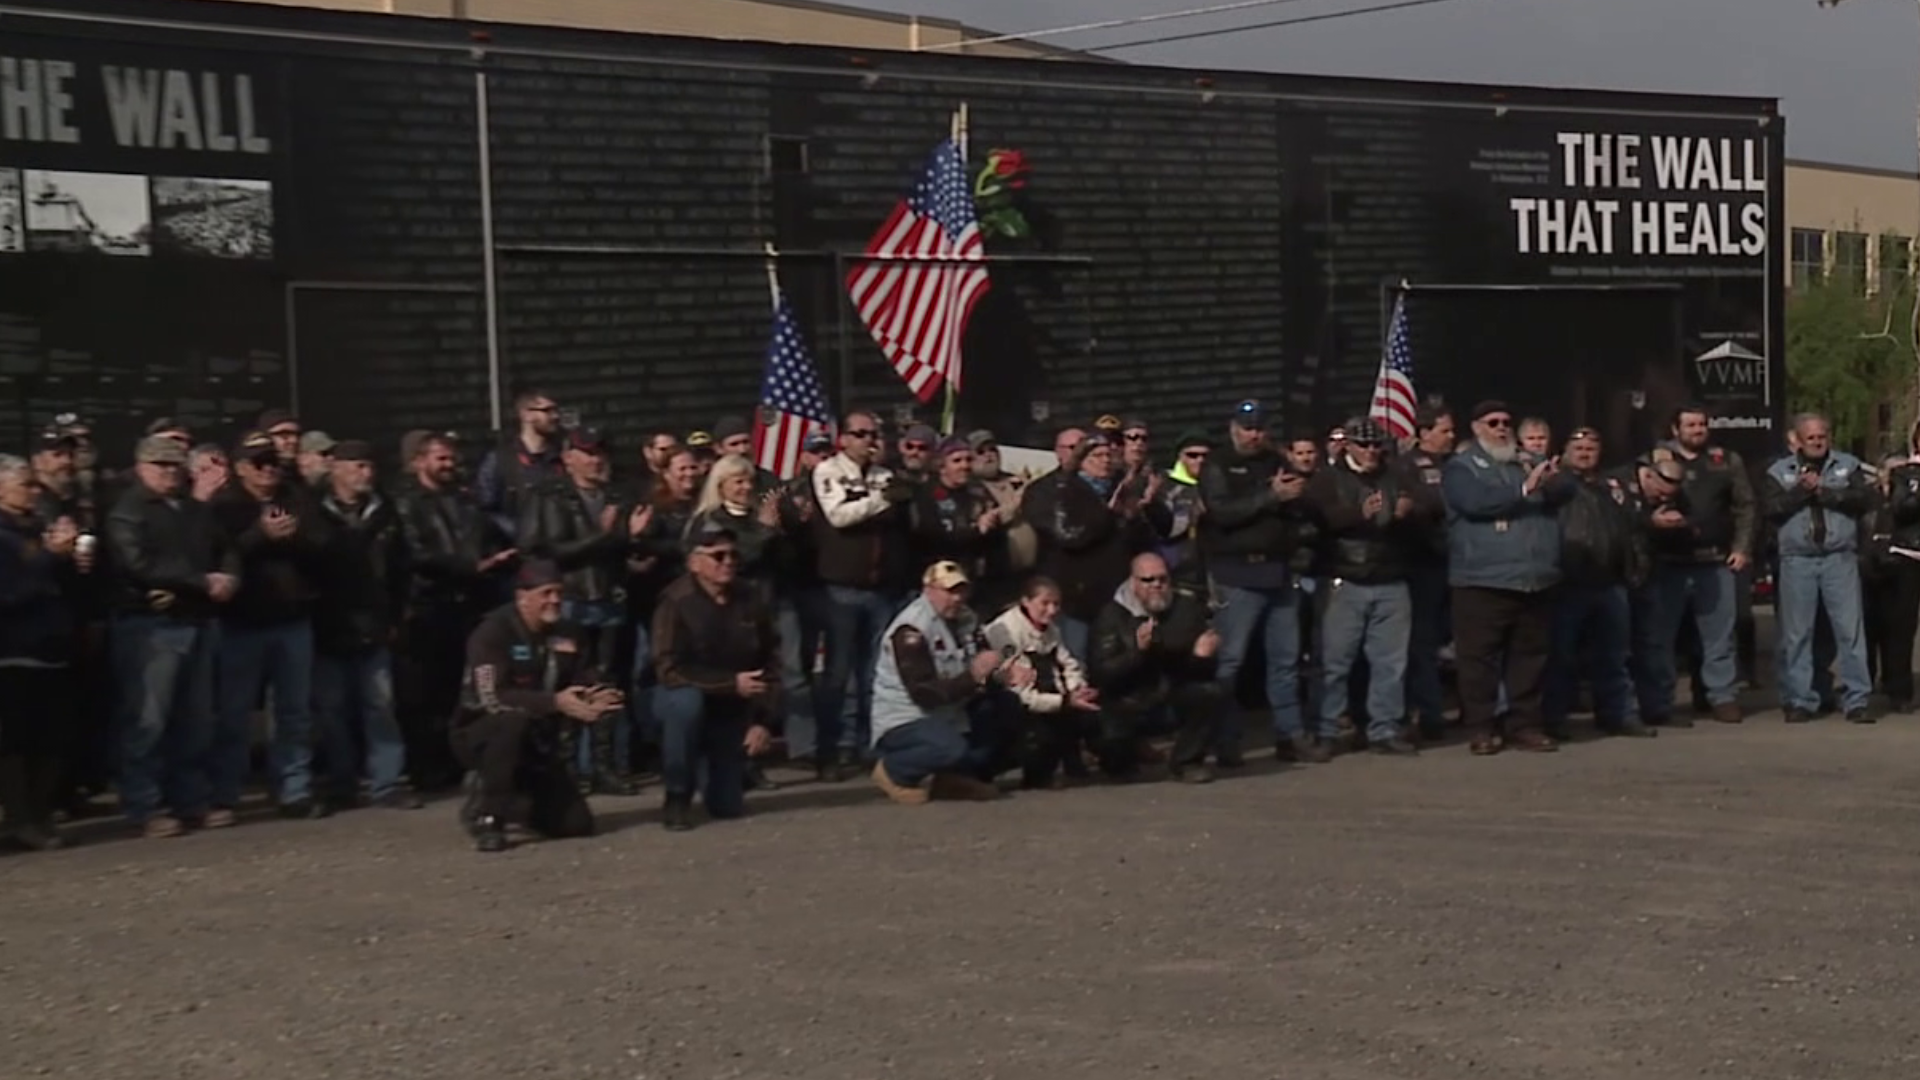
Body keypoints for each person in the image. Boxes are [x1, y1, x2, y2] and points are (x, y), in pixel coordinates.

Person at [104, 436, 238, 838]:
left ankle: (191, 801)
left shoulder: (194, 509)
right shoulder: (128, 511)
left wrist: (230, 577)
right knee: (148, 720)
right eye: (160, 464)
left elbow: (225, 546)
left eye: (175, 465)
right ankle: (144, 806)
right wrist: (201, 580)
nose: (168, 472)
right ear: (141, 466)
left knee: (195, 721)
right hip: (151, 626)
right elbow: (138, 564)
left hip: (197, 621)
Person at [452, 560, 620, 853]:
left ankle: (512, 799)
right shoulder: (493, 632)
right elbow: (491, 696)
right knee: (511, 723)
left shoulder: (569, 633)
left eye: (559, 593)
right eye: (546, 593)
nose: (555, 600)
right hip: (481, 730)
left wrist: (598, 696)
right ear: (522, 597)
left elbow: (587, 677)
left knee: (576, 825)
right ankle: (489, 815)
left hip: (540, 738)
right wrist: (553, 702)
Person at [517, 427, 649, 796]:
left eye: (599, 454)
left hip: (607, 598)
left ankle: (605, 766)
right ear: (568, 458)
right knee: (567, 680)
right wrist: (605, 536)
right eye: (587, 453)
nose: (595, 460)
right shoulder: (549, 495)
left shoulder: (615, 495)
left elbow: (620, 546)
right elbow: (542, 549)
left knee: (605, 681)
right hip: (570, 600)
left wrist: (632, 540)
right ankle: (568, 768)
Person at [1442, 401, 1573, 755]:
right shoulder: (1462, 468)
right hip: (1482, 580)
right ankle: (1482, 727)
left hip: (1534, 579)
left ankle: (1525, 724)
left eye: (1506, 422)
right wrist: (1524, 490)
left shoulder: (1526, 461)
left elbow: (1565, 493)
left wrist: (1552, 476)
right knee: (1478, 660)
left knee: (1529, 657)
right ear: (1476, 428)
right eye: (1493, 422)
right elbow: (1475, 503)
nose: (1502, 428)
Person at [208, 430, 326, 819]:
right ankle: (226, 792)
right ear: (241, 468)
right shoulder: (224, 506)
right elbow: (220, 555)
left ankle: (294, 789)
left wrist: (293, 540)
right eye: (260, 463)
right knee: (234, 713)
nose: (270, 469)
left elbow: (323, 549)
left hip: (291, 620)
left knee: (294, 712)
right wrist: (260, 535)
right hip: (242, 623)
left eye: (274, 461)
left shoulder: (296, 499)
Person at [394, 433, 516, 790]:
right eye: (440, 459)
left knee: (464, 689)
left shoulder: (466, 500)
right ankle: (427, 768)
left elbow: (488, 537)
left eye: (451, 459)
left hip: (470, 604)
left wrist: (497, 560)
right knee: (426, 693)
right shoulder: (407, 502)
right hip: (429, 605)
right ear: (418, 461)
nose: (449, 465)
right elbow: (417, 554)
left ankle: (461, 761)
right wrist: (472, 566)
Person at [1302, 419, 1431, 755]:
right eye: (1364, 445)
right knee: (1334, 661)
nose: (1372, 452)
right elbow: (1317, 519)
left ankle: (1384, 729)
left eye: (1377, 446)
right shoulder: (1328, 478)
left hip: (1391, 577)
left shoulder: (1398, 473)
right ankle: (1325, 730)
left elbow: (1432, 503)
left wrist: (1411, 510)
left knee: (1391, 663)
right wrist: (1358, 514)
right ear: (1349, 446)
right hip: (1345, 577)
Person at [1198, 399, 1311, 765]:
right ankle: (1226, 741)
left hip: (1278, 572)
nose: (1254, 434)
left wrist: (1294, 496)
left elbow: (1296, 510)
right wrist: (1270, 496)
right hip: (1238, 574)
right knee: (1231, 662)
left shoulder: (1276, 461)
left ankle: (1290, 735)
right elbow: (1222, 512)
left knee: (1285, 661)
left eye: (1260, 428)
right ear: (1234, 428)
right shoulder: (1218, 464)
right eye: (1248, 428)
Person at [311, 440, 419, 810]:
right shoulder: (312, 510)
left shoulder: (385, 512)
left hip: (374, 621)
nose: (366, 473)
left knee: (380, 706)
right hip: (328, 622)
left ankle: (386, 782)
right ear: (335, 469)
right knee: (332, 709)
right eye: (357, 466)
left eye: (369, 466)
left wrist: (396, 615)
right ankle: (341, 783)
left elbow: (402, 569)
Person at [650, 522, 780, 831]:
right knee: (685, 704)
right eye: (718, 555)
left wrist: (764, 720)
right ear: (694, 563)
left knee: (727, 807)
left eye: (733, 555)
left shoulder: (751, 597)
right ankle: (677, 795)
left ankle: (723, 771)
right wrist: (729, 684)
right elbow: (667, 669)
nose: (728, 562)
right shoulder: (675, 601)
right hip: (682, 696)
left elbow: (772, 660)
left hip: (732, 704)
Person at [810, 410, 913, 781]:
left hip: (881, 589)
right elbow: (839, 515)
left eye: (874, 433)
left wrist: (883, 497)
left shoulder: (884, 476)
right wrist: (882, 501)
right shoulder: (828, 471)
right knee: (838, 675)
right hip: (842, 591)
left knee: (876, 674)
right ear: (844, 439)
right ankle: (830, 751)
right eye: (861, 434)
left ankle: (870, 747)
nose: (869, 440)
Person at [868, 561, 1024, 804]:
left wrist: (1004, 674)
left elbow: (981, 666)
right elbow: (925, 694)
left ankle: (957, 779)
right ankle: (894, 771)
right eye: (949, 591)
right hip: (907, 718)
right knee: (951, 748)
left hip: (952, 711)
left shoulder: (967, 619)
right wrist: (973, 676)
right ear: (928, 590)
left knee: (1009, 708)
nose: (957, 598)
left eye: (962, 591)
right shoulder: (911, 630)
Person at [1645, 405, 1755, 725]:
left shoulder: (1726, 461)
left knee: (1719, 637)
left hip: (1714, 562)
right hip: (1668, 563)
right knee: (1661, 637)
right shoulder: (1655, 459)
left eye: (1702, 424)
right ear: (1675, 429)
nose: (1698, 430)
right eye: (1690, 425)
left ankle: (1721, 696)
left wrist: (1742, 547)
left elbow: (1745, 506)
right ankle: (1660, 701)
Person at [0, 454, 87, 850]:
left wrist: (71, 561)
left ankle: (40, 812)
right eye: (24, 484)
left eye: (35, 485)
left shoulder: (35, 528)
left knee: (53, 740)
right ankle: (21, 819)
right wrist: (51, 557)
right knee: (17, 743)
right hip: (14, 651)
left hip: (53, 648)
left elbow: (56, 584)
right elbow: (11, 593)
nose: (34, 491)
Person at [1764, 413, 1874, 723]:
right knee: (1797, 633)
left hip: (1839, 559)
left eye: (1821, 435)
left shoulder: (1847, 466)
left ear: (1829, 437)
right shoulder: (1778, 472)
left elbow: (1863, 500)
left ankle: (1857, 700)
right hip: (1797, 560)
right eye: (1810, 436)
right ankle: (1799, 700)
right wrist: (1801, 491)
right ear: (1797, 440)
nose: (1816, 441)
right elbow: (1771, 510)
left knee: (1849, 632)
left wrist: (1823, 491)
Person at [1543, 429, 1652, 739]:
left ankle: (1619, 714)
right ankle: (1555, 719)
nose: (1585, 453)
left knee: (1615, 656)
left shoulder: (1611, 485)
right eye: (1578, 447)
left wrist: (1635, 564)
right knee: (1562, 656)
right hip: (1569, 582)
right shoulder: (1556, 484)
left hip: (1610, 581)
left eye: (1591, 447)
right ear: (1565, 451)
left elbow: (1631, 528)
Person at [1090, 553, 1223, 782]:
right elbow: (1103, 673)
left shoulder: (1186, 609)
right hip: (1126, 699)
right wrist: (1138, 652)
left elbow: (1201, 673)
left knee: (1209, 693)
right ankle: (1124, 759)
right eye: (1148, 580)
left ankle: (1187, 762)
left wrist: (1201, 658)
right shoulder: (1111, 615)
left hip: (1167, 693)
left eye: (1162, 579)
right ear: (1133, 582)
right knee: (1113, 753)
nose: (1156, 585)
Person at [983, 576, 1099, 789]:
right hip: (1014, 707)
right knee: (1037, 739)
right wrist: (1065, 702)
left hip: (1052, 698)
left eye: (1056, 604)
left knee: (1093, 717)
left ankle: (1069, 761)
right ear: (1026, 601)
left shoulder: (1051, 629)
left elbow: (1068, 663)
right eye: (1045, 603)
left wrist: (1077, 689)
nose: (1052, 610)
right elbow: (1021, 692)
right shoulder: (1005, 632)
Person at [1402, 404, 1456, 739]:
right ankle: (1430, 713)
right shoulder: (1406, 467)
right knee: (1423, 643)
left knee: (1466, 642)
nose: (1451, 436)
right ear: (1424, 432)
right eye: (1444, 430)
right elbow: (1418, 508)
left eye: (1452, 431)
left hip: (1464, 564)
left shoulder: (1461, 464)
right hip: (1424, 565)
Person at [475, 387, 565, 540]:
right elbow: (485, 508)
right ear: (526, 414)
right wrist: (518, 532)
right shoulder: (500, 459)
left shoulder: (563, 457)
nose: (555, 416)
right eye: (547, 411)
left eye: (556, 410)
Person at [910, 436, 1002, 585]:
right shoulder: (927, 494)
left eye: (968, 459)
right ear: (942, 466)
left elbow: (994, 531)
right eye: (957, 461)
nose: (964, 465)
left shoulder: (977, 491)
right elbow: (934, 537)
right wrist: (977, 529)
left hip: (974, 576)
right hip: (940, 578)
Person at [1872, 435, 1920, 713]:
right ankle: (1899, 690)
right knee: (1901, 627)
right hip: (1909, 555)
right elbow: (1902, 509)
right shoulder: (1904, 473)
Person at [1143, 431, 1209, 593]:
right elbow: (1168, 530)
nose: (1200, 460)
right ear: (1180, 457)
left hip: (1216, 574)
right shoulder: (1166, 487)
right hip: (1179, 577)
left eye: (1205, 455)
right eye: (1193, 455)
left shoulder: (1219, 484)